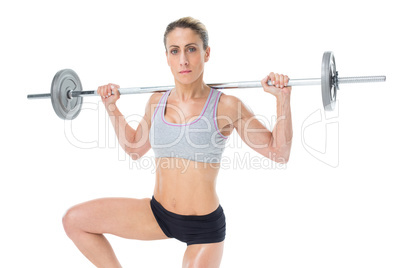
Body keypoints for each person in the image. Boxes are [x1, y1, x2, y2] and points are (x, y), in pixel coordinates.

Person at [62, 17, 293, 268]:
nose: (183, 60)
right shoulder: (156, 102)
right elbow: (134, 148)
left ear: (206, 53)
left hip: (203, 229)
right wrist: (111, 107)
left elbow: (278, 152)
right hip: (157, 213)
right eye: (175, 51)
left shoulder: (226, 106)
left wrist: (282, 99)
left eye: (191, 49)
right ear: (167, 57)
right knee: (74, 220)